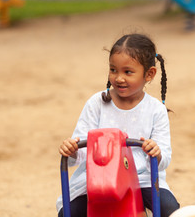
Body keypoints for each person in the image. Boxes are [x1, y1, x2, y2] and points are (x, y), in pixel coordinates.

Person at [57, 33, 180, 217]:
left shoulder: (156, 110)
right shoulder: (97, 103)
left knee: (170, 209)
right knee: (70, 213)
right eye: (113, 70)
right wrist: (72, 149)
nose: (119, 78)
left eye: (127, 72)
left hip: (143, 178)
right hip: (98, 179)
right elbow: (81, 146)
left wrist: (155, 151)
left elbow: (164, 158)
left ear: (149, 74)